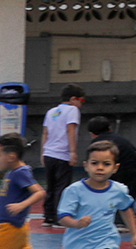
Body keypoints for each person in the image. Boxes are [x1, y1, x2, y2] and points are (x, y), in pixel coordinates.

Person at [41, 83, 86, 227]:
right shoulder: (72, 110)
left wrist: (43, 152)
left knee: (51, 186)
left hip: (49, 153)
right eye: (81, 101)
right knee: (62, 186)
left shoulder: (52, 111)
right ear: (73, 99)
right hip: (62, 154)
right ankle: (59, 217)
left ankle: (48, 217)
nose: (81, 104)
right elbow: (70, 130)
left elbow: (45, 133)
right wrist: (72, 151)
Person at [86, 116, 136, 199]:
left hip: (114, 175)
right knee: (127, 202)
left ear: (92, 134)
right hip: (131, 174)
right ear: (109, 128)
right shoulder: (122, 139)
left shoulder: (97, 144)